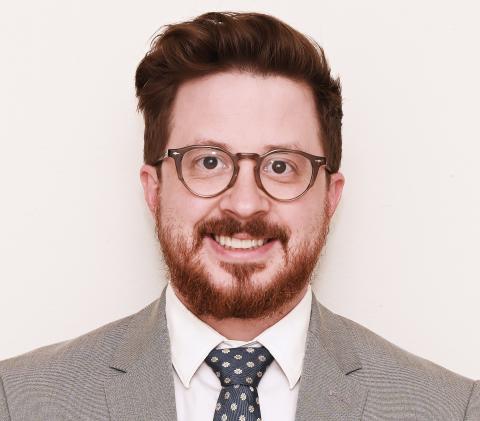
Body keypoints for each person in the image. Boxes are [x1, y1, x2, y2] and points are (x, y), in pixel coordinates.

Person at [0, 11, 478, 421]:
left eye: (281, 166)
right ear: (154, 189)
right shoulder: (17, 401)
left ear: (330, 197)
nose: (245, 204)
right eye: (209, 161)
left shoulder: (453, 408)